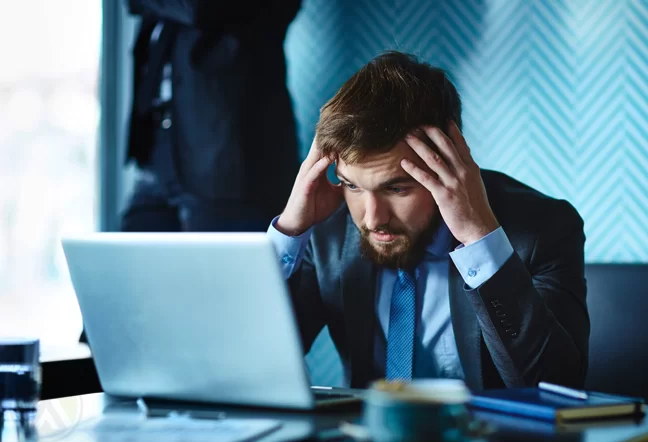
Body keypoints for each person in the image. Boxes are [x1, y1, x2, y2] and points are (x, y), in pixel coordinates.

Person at [268, 51, 590, 391]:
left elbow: (557, 387)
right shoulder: (326, 231)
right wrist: (290, 231)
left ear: (447, 166)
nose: (372, 218)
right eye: (352, 185)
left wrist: (480, 240)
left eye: (396, 188)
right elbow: (256, 364)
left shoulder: (543, 229)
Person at [122, 0, 301, 232]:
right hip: (157, 158)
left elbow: (198, 7)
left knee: (224, 266)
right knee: (120, 262)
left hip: (227, 165)